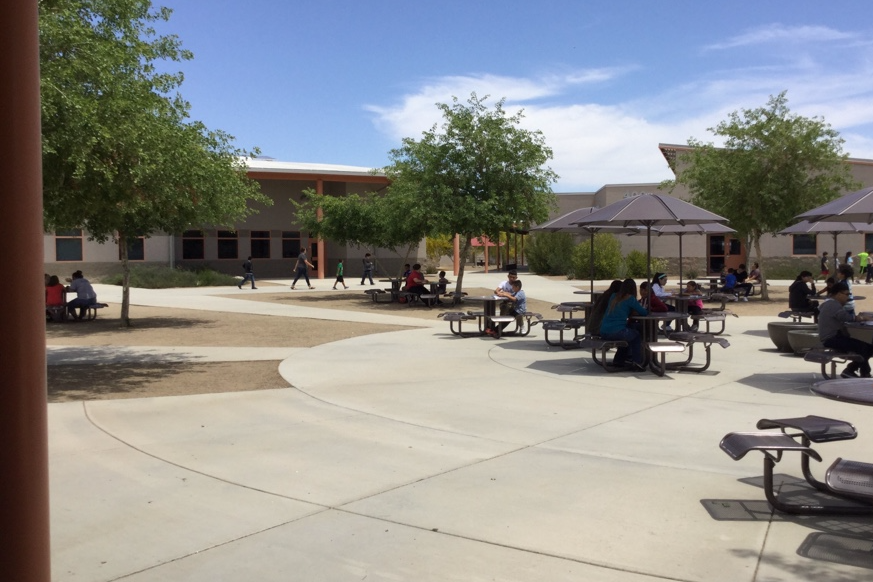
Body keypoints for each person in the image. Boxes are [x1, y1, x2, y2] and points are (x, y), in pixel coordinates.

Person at [817, 281, 873, 378]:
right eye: (847, 294)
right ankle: (863, 374)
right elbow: (846, 317)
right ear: (838, 294)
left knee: (867, 347)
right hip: (832, 339)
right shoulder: (833, 305)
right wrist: (862, 318)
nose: (848, 297)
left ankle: (852, 370)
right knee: (863, 347)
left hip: (833, 337)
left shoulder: (829, 303)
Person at [599, 278, 648, 370]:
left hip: (603, 330)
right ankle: (637, 362)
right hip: (616, 331)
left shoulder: (613, 296)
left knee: (628, 335)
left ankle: (619, 360)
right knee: (636, 335)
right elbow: (644, 312)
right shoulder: (631, 299)